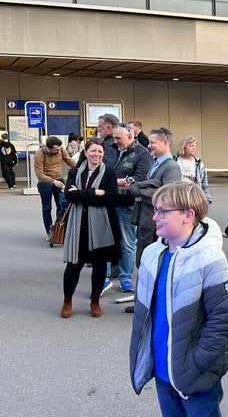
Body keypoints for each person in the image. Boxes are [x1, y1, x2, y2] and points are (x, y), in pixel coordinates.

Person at [129, 181, 228, 417]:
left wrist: (195, 363)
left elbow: (222, 319)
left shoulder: (209, 257)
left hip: (194, 373)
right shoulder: (152, 254)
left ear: (188, 215)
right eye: (155, 209)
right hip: (162, 368)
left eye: (163, 211)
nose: (155, 217)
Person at [60, 139, 121, 318]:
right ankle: (67, 300)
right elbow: (68, 197)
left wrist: (80, 194)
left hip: (102, 225)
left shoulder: (109, 173)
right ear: (85, 152)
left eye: (100, 152)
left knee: (100, 265)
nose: (97, 155)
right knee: (74, 265)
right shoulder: (74, 172)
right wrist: (94, 192)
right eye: (93, 151)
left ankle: (95, 301)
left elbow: (110, 198)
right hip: (78, 226)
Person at [126, 127, 182, 313]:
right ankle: (143, 302)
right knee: (144, 262)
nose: (148, 145)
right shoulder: (157, 163)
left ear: (165, 143)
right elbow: (149, 188)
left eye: (152, 142)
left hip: (157, 224)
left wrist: (141, 191)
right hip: (146, 221)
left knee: (152, 265)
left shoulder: (171, 167)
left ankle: (150, 306)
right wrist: (142, 189)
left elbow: (168, 196)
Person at [112, 123, 153, 294]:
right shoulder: (112, 150)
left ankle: (126, 279)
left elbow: (140, 180)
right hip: (109, 202)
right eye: (114, 138)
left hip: (126, 204)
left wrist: (112, 182)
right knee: (109, 240)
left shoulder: (142, 154)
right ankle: (106, 276)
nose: (115, 141)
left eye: (118, 138)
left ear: (130, 137)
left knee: (128, 243)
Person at [34, 136, 76, 241]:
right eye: (56, 150)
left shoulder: (60, 149)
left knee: (62, 205)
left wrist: (82, 168)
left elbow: (69, 161)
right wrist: (52, 181)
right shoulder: (39, 154)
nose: (58, 151)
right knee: (47, 207)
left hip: (59, 180)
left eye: (59, 149)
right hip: (45, 183)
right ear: (48, 148)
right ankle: (49, 231)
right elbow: (39, 173)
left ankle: (58, 229)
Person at [175, 135, 213, 203]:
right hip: (178, 196)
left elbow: (204, 182)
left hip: (193, 196)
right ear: (184, 147)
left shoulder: (198, 163)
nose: (194, 148)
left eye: (195, 146)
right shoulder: (175, 161)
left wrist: (207, 198)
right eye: (191, 146)